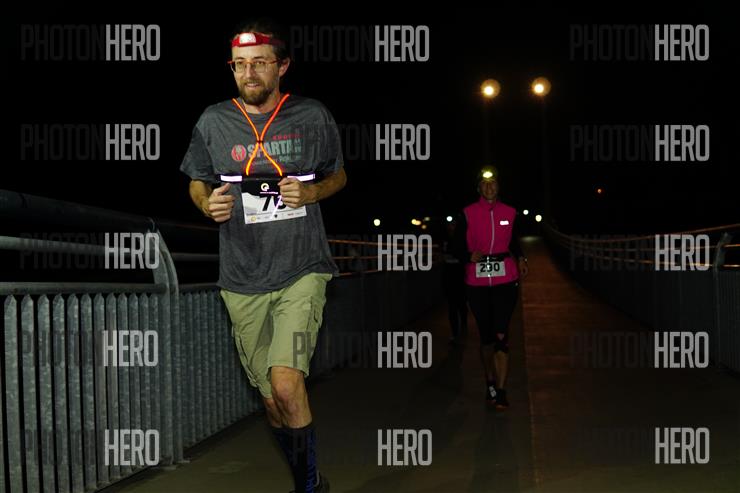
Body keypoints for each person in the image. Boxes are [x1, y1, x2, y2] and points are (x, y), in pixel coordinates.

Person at [179, 18, 345, 493]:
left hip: (302, 269)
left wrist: (312, 193)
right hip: (241, 277)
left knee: (287, 382)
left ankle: (308, 489)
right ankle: (310, 477)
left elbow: (338, 175)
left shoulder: (311, 115)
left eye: (259, 63)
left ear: (282, 66)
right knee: (272, 399)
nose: (249, 73)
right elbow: (196, 181)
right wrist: (205, 203)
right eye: (239, 65)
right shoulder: (213, 120)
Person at [453, 167, 527, 410]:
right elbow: (455, 246)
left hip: (505, 280)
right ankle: (491, 384)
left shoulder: (510, 212)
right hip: (477, 283)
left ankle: (502, 391)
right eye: (484, 184)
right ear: (478, 188)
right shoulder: (467, 213)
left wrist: (521, 257)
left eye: (493, 182)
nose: (489, 187)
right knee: (487, 339)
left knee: (501, 336)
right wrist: (467, 255)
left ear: (498, 186)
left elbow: (514, 240)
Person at [441, 216, 468, 344]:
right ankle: (454, 332)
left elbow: (465, 256)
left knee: (461, 302)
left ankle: (464, 323)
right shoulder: (444, 238)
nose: (451, 227)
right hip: (448, 275)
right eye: (449, 225)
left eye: (453, 224)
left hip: (460, 274)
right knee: (452, 305)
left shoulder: (463, 238)